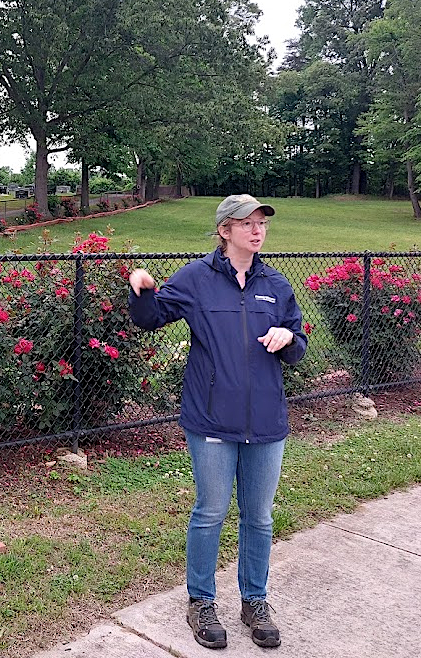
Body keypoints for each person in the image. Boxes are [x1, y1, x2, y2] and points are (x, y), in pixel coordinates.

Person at [128, 194, 307, 650]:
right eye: (247, 223)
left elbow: (298, 344)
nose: (257, 229)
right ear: (225, 230)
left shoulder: (277, 284)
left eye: (262, 222)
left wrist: (288, 337)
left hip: (266, 421)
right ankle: (201, 602)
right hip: (210, 420)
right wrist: (142, 289)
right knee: (210, 513)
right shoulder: (197, 278)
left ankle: (255, 601)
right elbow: (152, 318)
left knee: (260, 517)